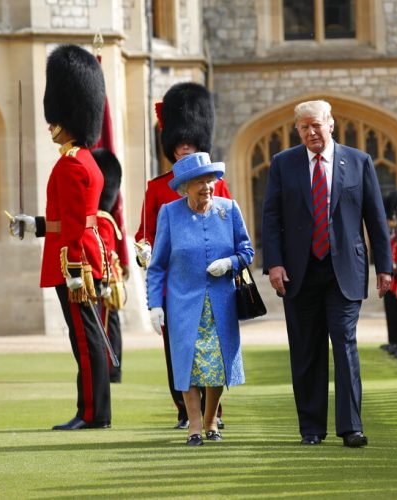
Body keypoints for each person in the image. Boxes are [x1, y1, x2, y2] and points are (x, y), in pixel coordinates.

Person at [262, 99, 392, 447]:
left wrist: (385, 267)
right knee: (306, 350)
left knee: (344, 343)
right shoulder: (283, 164)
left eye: (316, 125)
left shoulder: (359, 161)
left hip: (345, 270)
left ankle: (351, 428)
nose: (311, 132)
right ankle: (311, 429)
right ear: (298, 130)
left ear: (331, 124)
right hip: (298, 272)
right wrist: (273, 263)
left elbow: (375, 219)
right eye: (304, 127)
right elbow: (271, 218)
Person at [9, 44, 110, 430]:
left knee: (85, 342)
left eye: (55, 120)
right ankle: (94, 411)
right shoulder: (84, 161)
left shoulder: (70, 166)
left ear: (68, 118)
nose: (50, 125)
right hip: (82, 256)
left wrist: (71, 269)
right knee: (85, 339)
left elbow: (71, 226)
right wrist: (32, 224)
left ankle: (92, 415)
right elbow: (68, 219)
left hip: (75, 261)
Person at [134, 82, 231, 430]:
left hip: (211, 277)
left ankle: (213, 412)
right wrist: (143, 248)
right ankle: (184, 409)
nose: (182, 146)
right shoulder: (157, 187)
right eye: (176, 142)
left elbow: (229, 225)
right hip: (175, 280)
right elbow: (144, 232)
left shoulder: (216, 184)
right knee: (179, 347)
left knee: (214, 344)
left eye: (187, 140)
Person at [147, 152, 253, 446]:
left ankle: (211, 421)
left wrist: (230, 263)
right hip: (183, 303)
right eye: (200, 182)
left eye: (211, 180)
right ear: (185, 187)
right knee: (188, 364)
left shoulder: (229, 209)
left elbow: (247, 250)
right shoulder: (169, 213)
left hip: (221, 301)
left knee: (216, 365)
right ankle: (194, 426)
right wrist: (155, 304)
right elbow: (157, 265)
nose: (208, 187)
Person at [92, 148, 126, 383]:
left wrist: (103, 281)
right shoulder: (104, 217)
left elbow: (103, 249)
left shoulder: (102, 219)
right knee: (108, 322)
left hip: (105, 278)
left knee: (107, 323)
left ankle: (112, 368)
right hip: (107, 276)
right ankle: (111, 367)